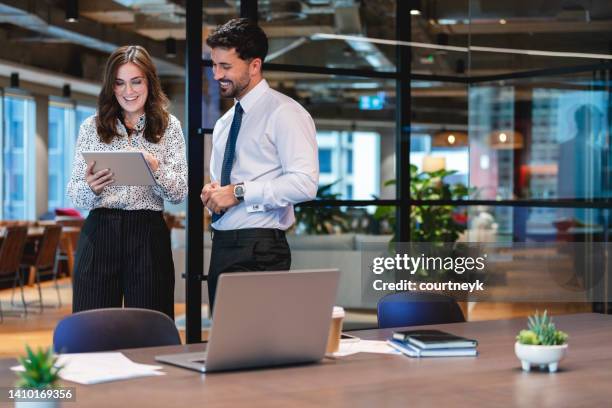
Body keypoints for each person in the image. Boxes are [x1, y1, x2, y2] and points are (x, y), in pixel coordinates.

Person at [201, 18, 319, 310]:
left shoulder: (286, 113)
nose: (217, 75)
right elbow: (225, 186)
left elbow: (305, 184)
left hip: (260, 248)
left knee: (256, 346)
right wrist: (213, 195)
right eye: (214, 65)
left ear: (254, 65)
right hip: (222, 245)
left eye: (226, 67)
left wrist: (239, 192)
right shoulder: (225, 122)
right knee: (228, 344)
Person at [67, 45, 187, 319]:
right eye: (120, 83)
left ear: (149, 82)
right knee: (92, 328)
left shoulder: (170, 127)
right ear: (111, 86)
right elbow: (75, 194)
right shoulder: (91, 126)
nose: (128, 91)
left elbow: (179, 192)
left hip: (147, 233)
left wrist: (155, 168)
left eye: (136, 81)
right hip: (100, 232)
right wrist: (91, 187)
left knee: (149, 328)